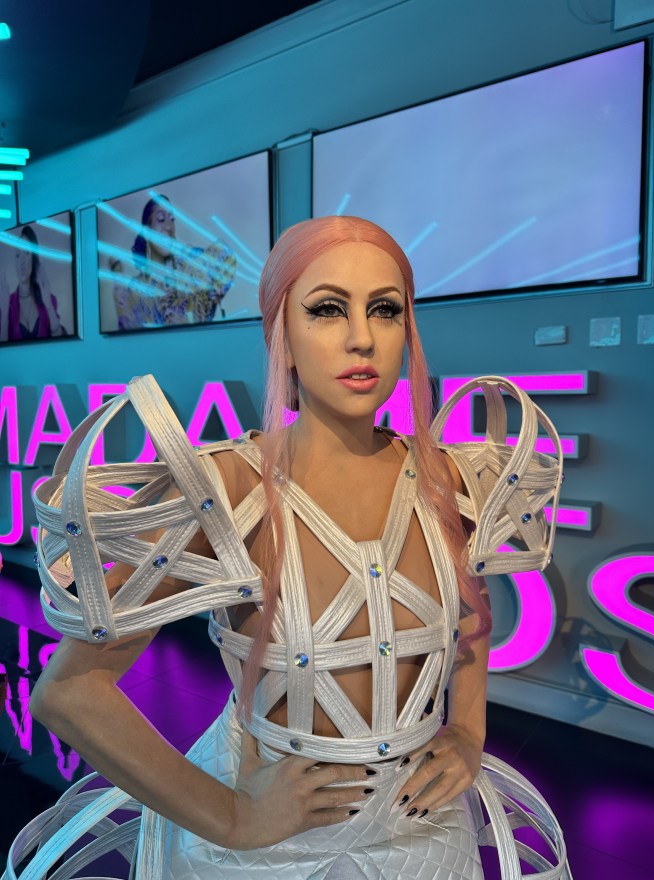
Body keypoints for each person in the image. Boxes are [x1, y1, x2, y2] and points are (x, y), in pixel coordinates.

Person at [6, 217, 569, 879]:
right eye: (327, 309)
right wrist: (231, 817)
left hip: (425, 828)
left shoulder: (454, 478)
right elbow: (70, 690)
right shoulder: (227, 490)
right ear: (283, 334)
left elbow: (469, 607)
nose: (362, 338)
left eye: (385, 309)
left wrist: (468, 729)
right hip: (269, 840)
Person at [109, 196, 238, 330]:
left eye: (172, 220)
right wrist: (116, 274)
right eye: (161, 219)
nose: (169, 226)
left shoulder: (187, 267)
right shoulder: (133, 291)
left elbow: (225, 256)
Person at [0, 225, 66, 341]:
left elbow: (62, 343)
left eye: (27, 253)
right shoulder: (7, 303)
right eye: (17, 255)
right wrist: (4, 312)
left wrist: (48, 305)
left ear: (34, 258)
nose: (22, 262)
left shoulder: (49, 299)